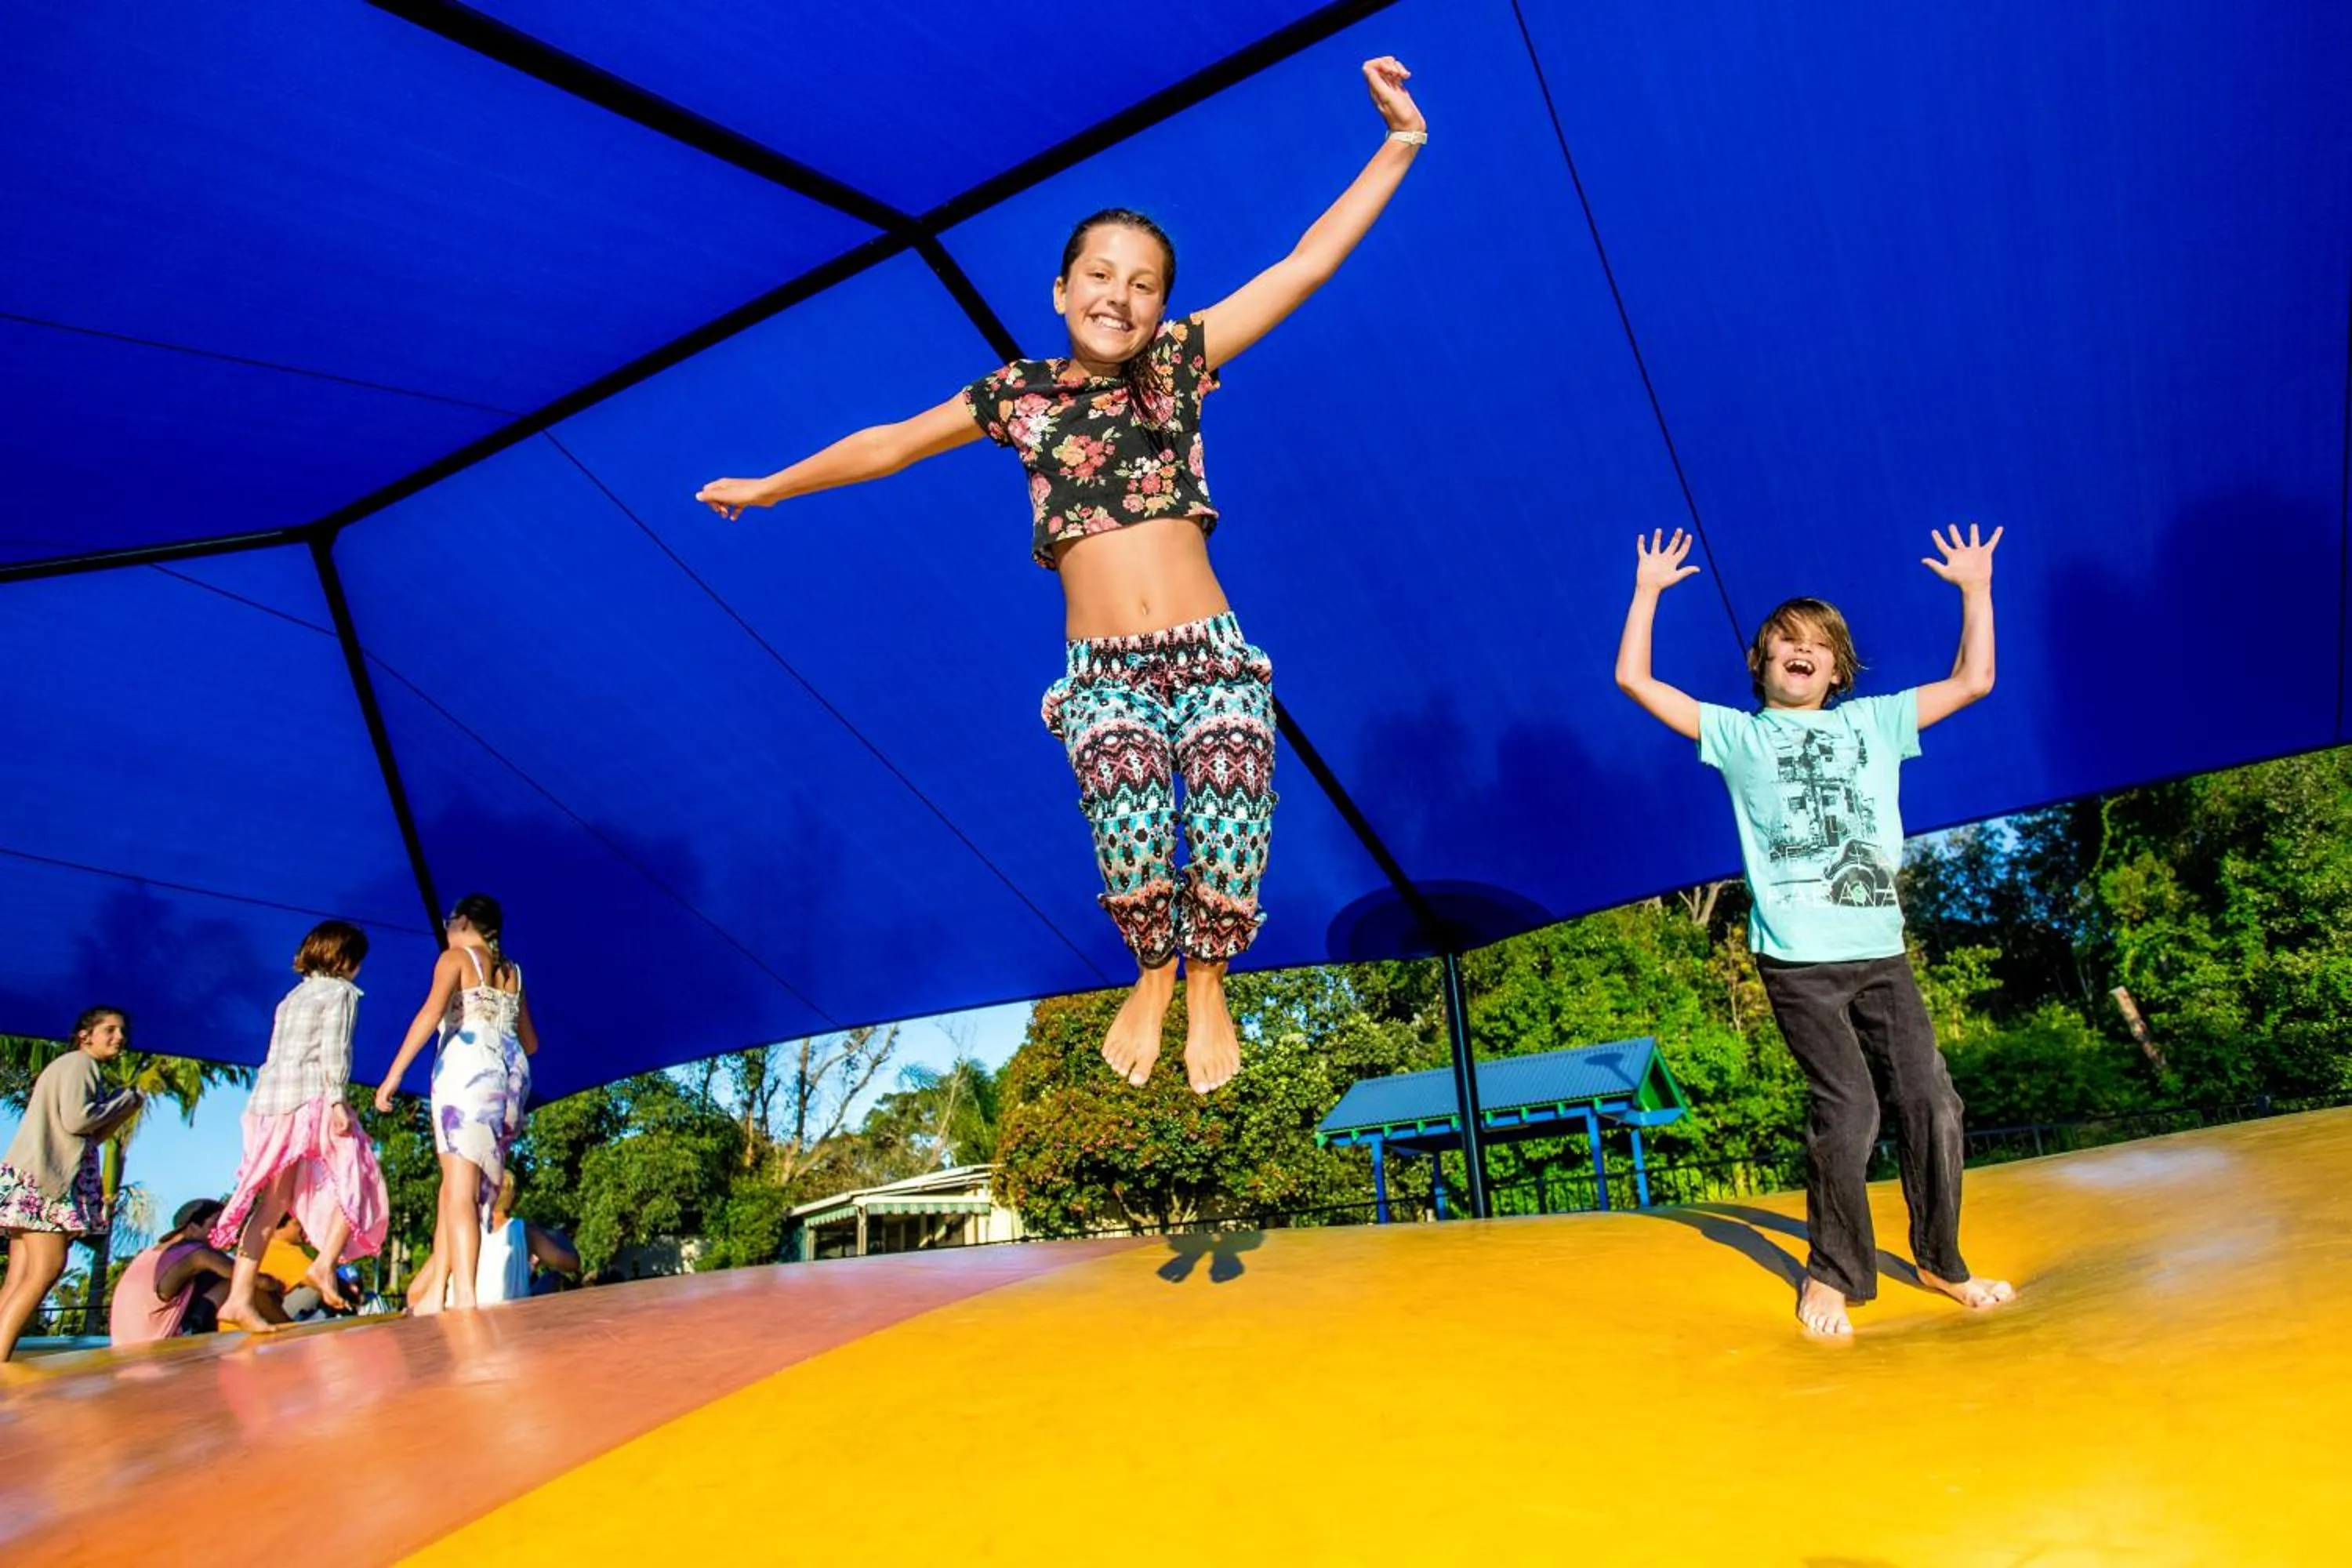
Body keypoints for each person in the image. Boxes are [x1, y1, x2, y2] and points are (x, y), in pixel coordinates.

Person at [696, 59, 1429, 1096]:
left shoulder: (1179, 364)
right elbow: (892, 443)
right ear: (1060, 290)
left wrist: (1397, 143)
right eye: (1099, 274)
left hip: (1212, 653)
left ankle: (1208, 979)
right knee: (1130, 824)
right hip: (1103, 671)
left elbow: (1304, 266)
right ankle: (1152, 967)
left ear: (1165, 308)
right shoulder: (1018, 396)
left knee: (1234, 818)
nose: (1118, 296)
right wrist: (773, 486)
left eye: (1143, 283)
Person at [1614, 524, 2019, 1336]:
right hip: (1797, 960)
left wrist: (1975, 587)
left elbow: (1974, 679)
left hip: (1880, 952)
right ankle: (1834, 1272)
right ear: (1762, 663)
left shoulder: (1874, 723)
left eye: (1817, 646)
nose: (1800, 653)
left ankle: (1941, 1256)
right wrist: (1649, 590)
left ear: (1838, 668)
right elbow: (1634, 678)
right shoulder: (1738, 734)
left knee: (1933, 1099)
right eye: (1784, 643)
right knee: (1852, 1110)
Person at [209, 920, 390, 1335]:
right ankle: (324, 1265)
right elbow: (334, 1049)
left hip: (270, 1104)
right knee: (358, 1171)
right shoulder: (341, 993)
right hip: (311, 1099)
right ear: (347, 960)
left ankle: (238, 1296)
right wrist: (337, 1099)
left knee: (271, 1204)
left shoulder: (292, 998)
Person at [376, 893, 537, 1315]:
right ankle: (437, 1293)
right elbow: (532, 1043)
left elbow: (430, 1014)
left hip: (466, 1070)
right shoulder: (512, 972)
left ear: (464, 921)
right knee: (455, 1192)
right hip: (508, 1082)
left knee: (460, 1191)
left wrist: (393, 1076)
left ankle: (463, 1296)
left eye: (450, 921)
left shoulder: (456, 959)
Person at [0, 1007, 142, 1360]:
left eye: (122, 1031)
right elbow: (79, 1121)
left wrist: (123, 1108)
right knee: (47, 1267)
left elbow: (89, 1136)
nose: (119, 1037)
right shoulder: (81, 1065)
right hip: (47, 1180)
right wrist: (126, 1100)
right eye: (110, 1030)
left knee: (19, 1277)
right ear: (85, 1035)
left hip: (28, 1176)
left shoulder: (67, 1068)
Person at [110, 1198, 281, 1346]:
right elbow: (259, 1281)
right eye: (215, 1225)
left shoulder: (151, 1254)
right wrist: (274, 1284)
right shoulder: (195, 1253)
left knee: (220, 1280)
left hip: (126, 1348)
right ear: (192, 1228)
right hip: (160, 1351)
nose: (223, 1233)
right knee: (240, 1283)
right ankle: (289, 1328)